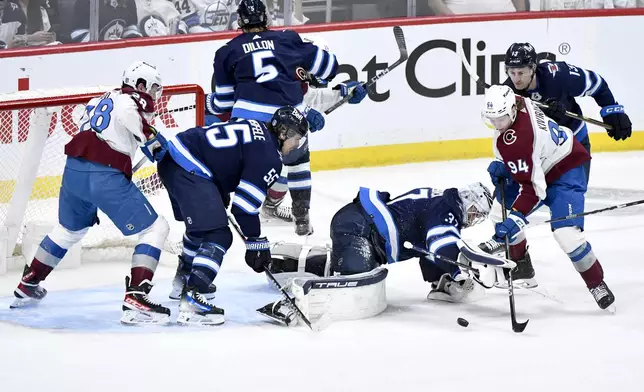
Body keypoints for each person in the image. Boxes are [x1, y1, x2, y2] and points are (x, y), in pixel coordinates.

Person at [10, 61, 172, 325]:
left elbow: (93, 124)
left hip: (73, 173)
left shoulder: (99, 99)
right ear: (140, 85)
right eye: (152, 87)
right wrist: (152, 140)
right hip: (104, 176)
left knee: (68, 230)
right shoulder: (128, 103)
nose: (154, 94)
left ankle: (29, 283)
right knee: (156, 228)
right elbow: (137, 127)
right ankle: (137, 296)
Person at [479, 42, 632, 285]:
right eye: (511, 72)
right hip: (536, 156)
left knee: (566, 230)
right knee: (502, 210)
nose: (515, 78)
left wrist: (612, 110)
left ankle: (595, 281)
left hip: (569, 150)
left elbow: (597, 83)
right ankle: (522, 266)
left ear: (533, 68)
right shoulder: (511, 94)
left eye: (521, 72)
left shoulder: (557, 75)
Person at [157, 105, 309, 326]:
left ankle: (183, 280)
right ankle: (193, 297)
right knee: (218, 234)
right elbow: (244, 207)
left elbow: (226, 156)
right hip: (191, 168)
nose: (297, 144)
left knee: (200, 228)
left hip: (174, 159)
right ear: (283, 132)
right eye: (295, 137)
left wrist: (218, 188)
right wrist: (257, 243)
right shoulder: (269, 157)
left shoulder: (256, 126)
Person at [260, 182, 494, 325]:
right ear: (466, 201)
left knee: (343, 267)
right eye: (474, 213)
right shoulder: (446, 211)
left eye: (478, 217)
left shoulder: (441, 200)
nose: (473, 220)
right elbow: (440, 245)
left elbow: (428, 245)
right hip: (360, 230)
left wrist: (441, 279)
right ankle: (289, 303)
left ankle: (284, 261)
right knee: (357, 284)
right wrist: (458, 271)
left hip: (358, 224)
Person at [205, 0, 340, 236]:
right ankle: (301, 219)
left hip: (247, 123)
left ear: (239, 22)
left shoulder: (226, 52)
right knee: (298, 162)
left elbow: (223, 104)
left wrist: (209, 102)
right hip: (289, 119)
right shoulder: (287, 39)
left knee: (240, 167)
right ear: (267, 20)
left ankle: (219, 214)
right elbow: (330, 67)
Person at [481, 84, 615, 310]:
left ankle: (596, 283)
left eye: (501, 119)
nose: (497, 125)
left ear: (512, 110)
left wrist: (516, 218)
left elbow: (534, 190)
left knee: (567, 236)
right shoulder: (516, 101)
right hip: (539, 161)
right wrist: (505, 165)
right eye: (492, 119)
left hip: (566, 168)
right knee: (497, 212)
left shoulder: (522, 138)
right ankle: (522, 266)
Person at [260, 35, 368, 230]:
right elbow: (274, 100)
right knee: (286, 160)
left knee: (291, 159)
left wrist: (343, 93)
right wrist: (304, 112)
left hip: (267, 128)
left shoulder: (294, 71)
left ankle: (269, 206)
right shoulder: (284, 72)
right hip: (256, 128)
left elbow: (309, 97)